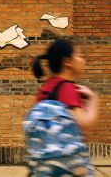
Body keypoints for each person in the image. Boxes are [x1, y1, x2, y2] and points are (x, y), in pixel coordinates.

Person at [29, 39, 99, 176]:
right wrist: (93, 100)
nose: (83, 60)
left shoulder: (47, 87)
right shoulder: (66, 88)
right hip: (66, 168)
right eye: (79, 55)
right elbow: (84, 127)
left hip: (45, 166)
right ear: (67, 61)